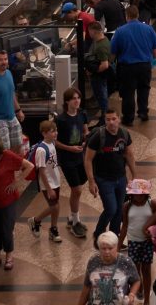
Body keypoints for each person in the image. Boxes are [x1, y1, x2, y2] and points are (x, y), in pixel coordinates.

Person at [0, 137, 34, 271]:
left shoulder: (7, 156)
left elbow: (29, 166)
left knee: (6, 228)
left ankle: (9, 256)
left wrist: (16, 182)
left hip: (7, 199)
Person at [86, 110, 138, 240]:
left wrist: (135, 176)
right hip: (104, 180)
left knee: (119, 209)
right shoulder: (98, 136)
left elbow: (129, 155)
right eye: (108, 119)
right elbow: (88, 159)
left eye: (114, 119)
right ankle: (98, 233)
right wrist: (91, 181)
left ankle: (114, 237)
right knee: (111, 209)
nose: (111, 122)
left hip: (120, 178)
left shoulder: (124, 134)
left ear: (119, 119)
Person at [52, 88, 91, 238]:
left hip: (80, 157)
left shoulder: (82, 114)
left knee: (79, 188)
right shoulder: (61, 120)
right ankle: (75, 221)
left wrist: (86, 141)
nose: (77, 101)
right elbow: (55, 141)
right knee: (77, 190)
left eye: (79, 98)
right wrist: (70, 148)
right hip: (67, 159)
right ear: (67, 101)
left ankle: (72, 216)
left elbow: (85, 130)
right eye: (74, 98)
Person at [78, 231, 142, 305]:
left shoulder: (126, 261)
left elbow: (136, 281)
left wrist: (131, 295)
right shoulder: (93, 261)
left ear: (116, 247)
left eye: (110, 248)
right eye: (103, 248)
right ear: (99, 248)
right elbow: (87, 285)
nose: (107, 252)